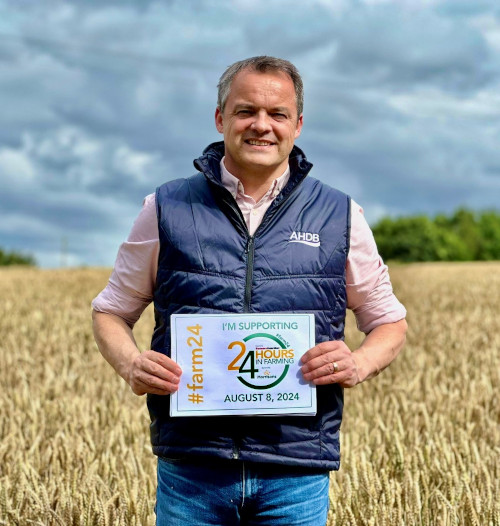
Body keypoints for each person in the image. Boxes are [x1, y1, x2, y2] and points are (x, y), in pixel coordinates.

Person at [92, 56, 407, 526]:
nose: (262, 125)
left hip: (296, 474)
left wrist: (357, 363)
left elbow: (390, 322)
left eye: (277, 114)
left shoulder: (340, 214)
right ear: (221, 119)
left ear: (297, 125)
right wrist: (131, 364)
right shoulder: (166, 207)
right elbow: (110, 312)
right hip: (192, 471)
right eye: (246, 111)